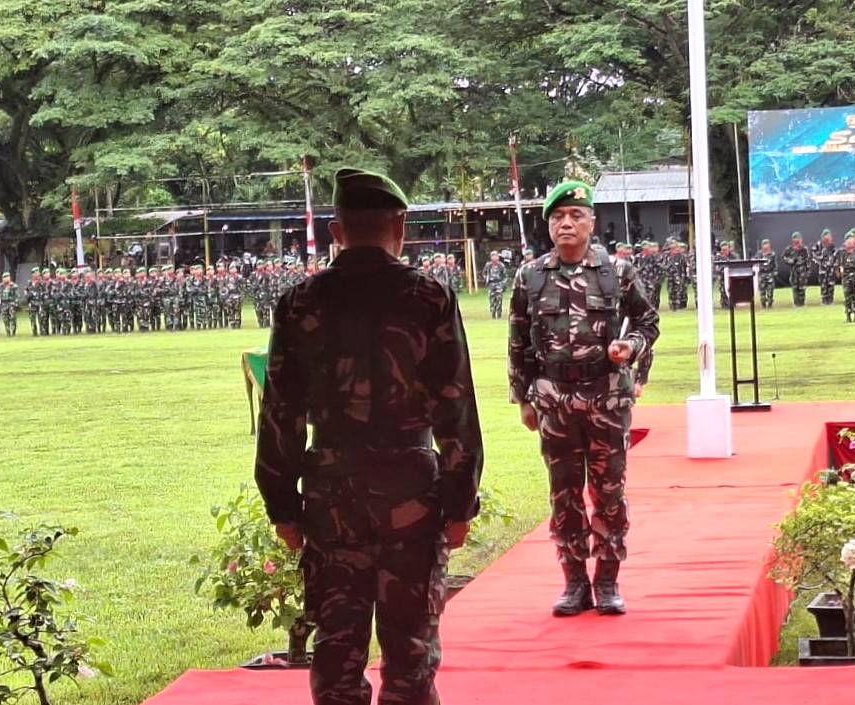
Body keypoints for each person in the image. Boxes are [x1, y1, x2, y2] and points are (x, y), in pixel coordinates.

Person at [254, 167, 483, 705]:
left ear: (336, 231)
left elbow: (279, 414)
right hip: (411, 492)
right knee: (410, 653)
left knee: (337, 652)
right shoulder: (429, 299)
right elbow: (456, 409)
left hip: (333, 494)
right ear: (399, 225)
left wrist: (282, 507)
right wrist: (459, 503)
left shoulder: (300, 303)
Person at [507, 180, 659, 617]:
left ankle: (607, 579)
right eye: (558, 217)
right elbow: (517, 341)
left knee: (609, 492)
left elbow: (648, 322)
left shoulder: (617, 272)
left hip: (606, 397)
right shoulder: (530, 276)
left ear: (592, 222)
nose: (567, 224)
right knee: (564, 494)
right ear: (548, 225)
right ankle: (574, 580)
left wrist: (630, 348)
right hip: (554, 401)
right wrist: (523, 400)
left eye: (576, 216)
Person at [837, 231, 855, 322]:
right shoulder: (841, 252)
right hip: (846, 276)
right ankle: (848, 316)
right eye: (848, 240)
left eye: (852, 240)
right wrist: (839, 270)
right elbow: (836, 263)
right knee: (847, 296)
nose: (850, 242)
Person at [781, 232, 811, 307]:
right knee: (795, 287)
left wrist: (807, 270)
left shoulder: (804, 249)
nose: (797, 241)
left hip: (802, 271)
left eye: (798, 239)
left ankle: (802, 302)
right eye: (795, 239)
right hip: (794, 271)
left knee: (802, 287)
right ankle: (796, 302)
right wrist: (789, 261)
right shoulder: (789, 249)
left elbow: (808, 260)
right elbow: (783, 257)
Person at [482, 250, 508, 319]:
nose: (494, 258)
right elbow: (484, 273)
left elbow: (505, 276)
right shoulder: (488, 265)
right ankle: (493, 313)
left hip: (499, 284)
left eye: (496, 256)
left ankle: (499, 314)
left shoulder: (501, 265)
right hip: (491, 284)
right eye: (493, 256)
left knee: (499, 300)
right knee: (492, 300)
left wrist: (503, 284)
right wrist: (486, 279)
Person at [755, 238, 777, 309]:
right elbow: (755, 262)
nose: (766, 247)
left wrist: (774, 273)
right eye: (764, 245)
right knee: (762, 290)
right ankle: (763, 304)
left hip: (769, 274)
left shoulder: (772, 254)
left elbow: (775, 264)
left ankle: (770, 304)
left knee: (770, 290)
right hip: (762, 274)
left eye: (767, 245)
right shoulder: (759, 254)